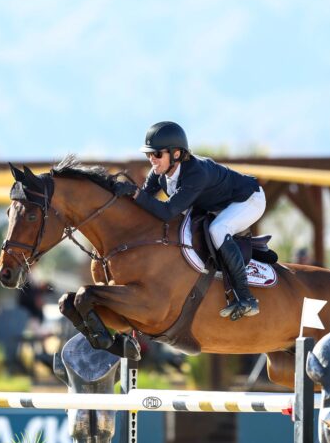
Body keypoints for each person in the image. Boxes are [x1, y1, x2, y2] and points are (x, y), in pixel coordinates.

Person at [113, 121, 265, 320]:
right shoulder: (158, 174)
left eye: (157, 154)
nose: (152, 159)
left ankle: (246, 298)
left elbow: (167, 211)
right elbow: (144, 202)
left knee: (217, 230)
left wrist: (136, 193)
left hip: (248, 199)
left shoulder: (196, 173)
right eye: (149, 154)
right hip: (219, 205)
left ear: (176, 154)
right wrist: (121, 196)